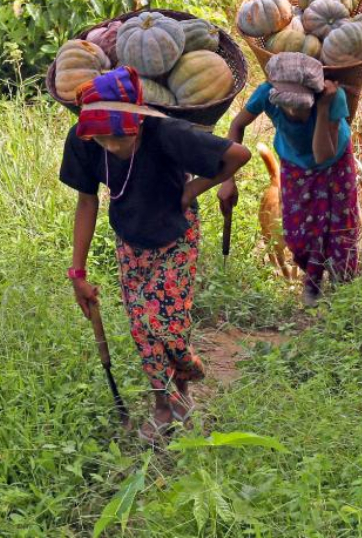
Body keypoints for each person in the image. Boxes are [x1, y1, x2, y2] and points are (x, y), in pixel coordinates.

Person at [59, 66, 251, 442]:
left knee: (163, 325)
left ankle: (187, 376)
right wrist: (77, 274)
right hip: (130, 243)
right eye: (102, 140)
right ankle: (164, 405)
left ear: (138, 123)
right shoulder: (84, 139)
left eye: (119, 138)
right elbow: (86, 202)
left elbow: (238, 155)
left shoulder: (167, 134)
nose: (111, 146)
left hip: (175, 240)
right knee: (142, 329)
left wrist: (191, 192)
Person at [219, 52, 359, 306]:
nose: (294, 109)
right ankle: (313, 280)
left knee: (340, 228)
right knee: (297, 235)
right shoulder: (266, 94)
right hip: (294, 164)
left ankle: (343, 293)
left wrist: (324, 108)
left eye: (301, 104)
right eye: (287, 103)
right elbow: (237, 125)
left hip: (334, 163)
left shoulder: (332, 99)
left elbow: (322, 154)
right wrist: (228, 179)